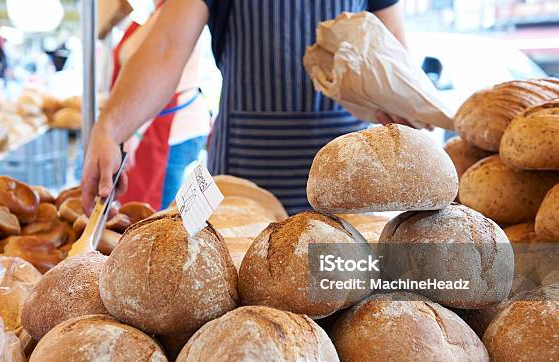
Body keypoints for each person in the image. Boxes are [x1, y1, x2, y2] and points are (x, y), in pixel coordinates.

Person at [83, 0, 409, 215]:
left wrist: (402, 99)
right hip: (244, 172)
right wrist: (109, 129)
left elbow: (391, 41)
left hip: (344, 172)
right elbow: (167, 46)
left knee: (337, 299)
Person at [113, 1, 211, 210]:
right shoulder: (158, 13)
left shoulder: (180, 11)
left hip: (174, 128)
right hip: (160, 125)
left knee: (163, 217)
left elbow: (162, 80)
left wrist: (133, 131)